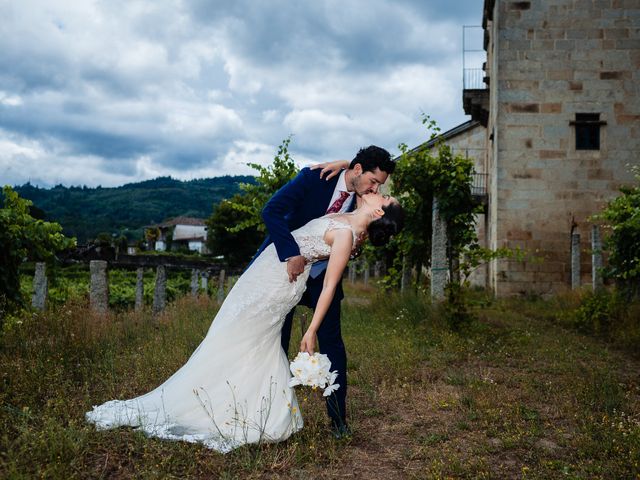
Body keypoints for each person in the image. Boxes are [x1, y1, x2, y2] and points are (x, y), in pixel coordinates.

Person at [85, 190, 404, 453]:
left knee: (241, 338)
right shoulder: (348, 220)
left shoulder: (348, 236)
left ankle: (236, 409)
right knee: (231, 336)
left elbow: (330, 287)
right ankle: (239, 402)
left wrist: (310, 331)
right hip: (267, 271)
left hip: (277, 285)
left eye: (384, 196)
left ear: (379, 213)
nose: (379, 191)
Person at [257, 145, 396, 437]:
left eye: (379, 187)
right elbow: (272, 211)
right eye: (373, 182)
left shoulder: (362, 197)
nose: (375, 188)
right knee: (276, 340)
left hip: (323, 278)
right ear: (358, 170)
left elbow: (365, 225)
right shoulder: (314, 178)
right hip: (287, 269)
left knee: (333, 345)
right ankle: (271, 412)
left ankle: (337, 419)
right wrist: (291, 254)